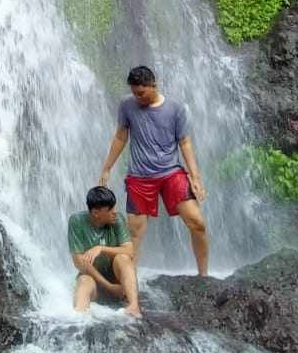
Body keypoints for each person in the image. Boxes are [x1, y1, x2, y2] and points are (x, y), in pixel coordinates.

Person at [99, 64, 209, 275]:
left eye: (141, 93)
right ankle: (130, 285)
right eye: (134, 93)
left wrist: (195, 177)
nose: (137, 98)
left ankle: (204, 277)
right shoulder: (127, 105)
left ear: (153, 85)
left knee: (197, 222)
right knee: (134, 233)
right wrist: (107, 168)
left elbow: (184, 143)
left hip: (171, 173)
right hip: (139, 176)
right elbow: (121, 136)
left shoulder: (176, 108)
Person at [68, 185, 141, 316]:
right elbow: (79, 263)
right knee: (84, 280)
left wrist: (101, 248)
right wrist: (109, 287)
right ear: (96, 213)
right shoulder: (76, 221)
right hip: (96, 285)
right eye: (110, 209)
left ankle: (134, 307)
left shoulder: (117, 219)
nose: (115, 211)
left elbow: (130, 251)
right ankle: (79, 322)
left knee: (122, 258)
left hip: (120, 285)